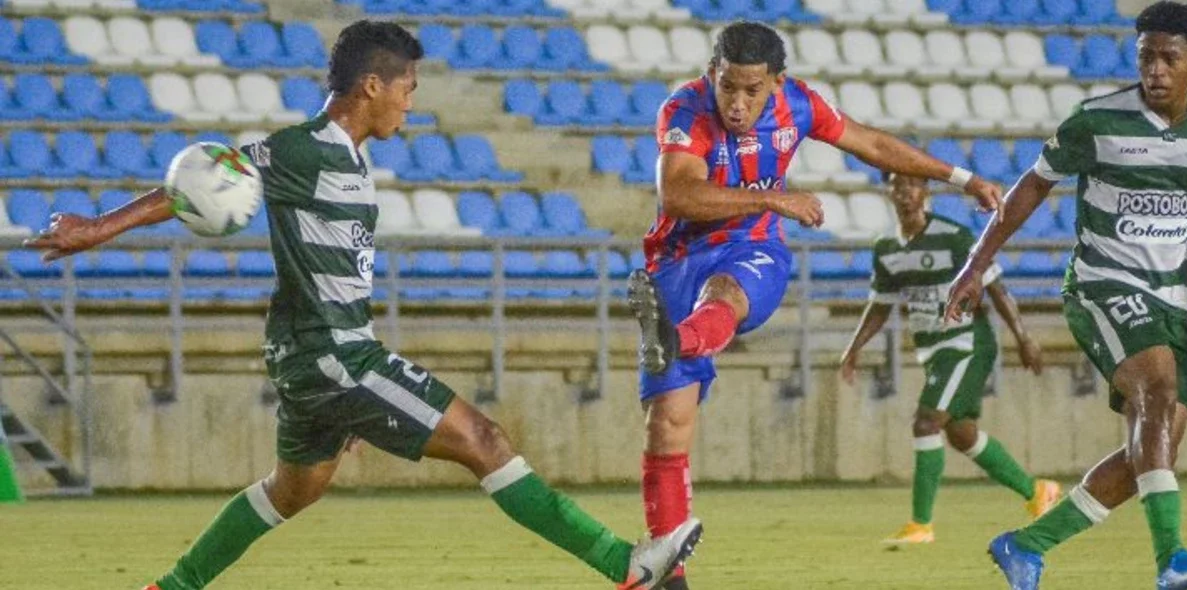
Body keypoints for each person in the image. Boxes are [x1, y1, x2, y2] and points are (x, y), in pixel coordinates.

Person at [25, 20, 700, 590]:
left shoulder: (349, 159)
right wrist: (97, 228)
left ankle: (168, 588)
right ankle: (628, 567)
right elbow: (205, 177)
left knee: (292, 491)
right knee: (483, 440)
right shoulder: (303, 148)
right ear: (372, 86)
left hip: (318, 359)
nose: (411, 104)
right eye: (407, 89)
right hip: (332, 351)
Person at [625, 20, 1004, 589]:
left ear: (777, 83)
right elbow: (678, 194)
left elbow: (873, 144)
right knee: (668, 427)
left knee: (724, 293)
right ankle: (669, 576)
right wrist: (776, 196)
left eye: (752, 90)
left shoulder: (797, 104)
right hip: (676, 259)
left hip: (750, 249)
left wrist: (962, 176)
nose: (737, 101)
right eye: (728, 86)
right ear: (712, 74)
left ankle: (678, 337)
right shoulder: (684, 111)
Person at [943, 3, 1187, 589]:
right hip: (1102, 286)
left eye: (1169, 58)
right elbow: (1030, 189)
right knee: (1157, 393)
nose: (1155, 70)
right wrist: (977, 265)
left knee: (1147, 456)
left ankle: (1026, 544)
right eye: (1146, 57)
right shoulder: (1096, 121)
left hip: (1172, 304)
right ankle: (1172, 559)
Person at [838, 171, 1058, 544]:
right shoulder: (887, 248)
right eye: (898, 185)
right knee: (961, 433)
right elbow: (880, 307)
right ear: (889, 193)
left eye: (912, 184)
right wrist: (854, 348)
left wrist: (1023, 337)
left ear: (925, 192)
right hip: (932, 349)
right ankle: (1037, 492)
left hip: (966, 341)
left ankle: (921, 525)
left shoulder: (954, 237)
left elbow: (997, 289)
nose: (905, 191)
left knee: (926, 423)